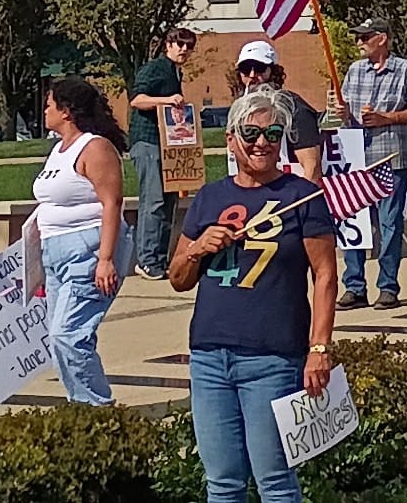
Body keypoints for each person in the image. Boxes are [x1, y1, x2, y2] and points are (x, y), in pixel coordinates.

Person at [171, 86, 338, 503]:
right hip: (209, 357)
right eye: (251, 133)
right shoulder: (211, 197)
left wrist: (319, 347)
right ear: (230, 138)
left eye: (272, 132)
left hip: (272, 357)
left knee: (275, 482)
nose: (262, 142)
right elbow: (177, 277)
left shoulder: (302, 196)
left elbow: (325, 275)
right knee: (222, 483)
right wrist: (197, 248)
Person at [34, 78, 130, 405]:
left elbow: (112, 203)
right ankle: (80, 404)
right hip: (54, 255)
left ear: (66, 111)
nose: (44, 110)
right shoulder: (58, 150)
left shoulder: (96, 148)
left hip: (88, 251)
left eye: (49, 104)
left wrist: (105, 259)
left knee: (69, 335)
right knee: (56, 337)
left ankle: (97, 407)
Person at [338, 17, 407, 308]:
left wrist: (387, 118)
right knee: (355, 222)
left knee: (389, 223)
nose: (360, 42)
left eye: (365, 37)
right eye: (359, 37)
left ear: (382, 38)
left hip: (391, 157)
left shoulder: (404, 70)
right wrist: (340, 112)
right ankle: (355, 285)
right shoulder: (354, 71)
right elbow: (346, 113)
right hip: (356, 158)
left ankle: (388, 286)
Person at [129, 27, 198, 280]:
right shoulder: (156, 68)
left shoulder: (174, 73)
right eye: (179, 44)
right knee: (154, 200)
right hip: (147, 141)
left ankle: (159, 260)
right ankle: (146, 260)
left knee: (169, 202)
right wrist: (167, 100)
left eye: (188, 46)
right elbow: (136, 100)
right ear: (168, 45)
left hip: (167, 144)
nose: (183, 50)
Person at [237, 40, 324, 182]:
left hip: (289, 195)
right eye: (246, 68)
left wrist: (302, 203)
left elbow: (312, 167)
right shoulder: (239, 110)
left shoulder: (295, 108)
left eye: (259, 67)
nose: (252, 74)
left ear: (273, 71)